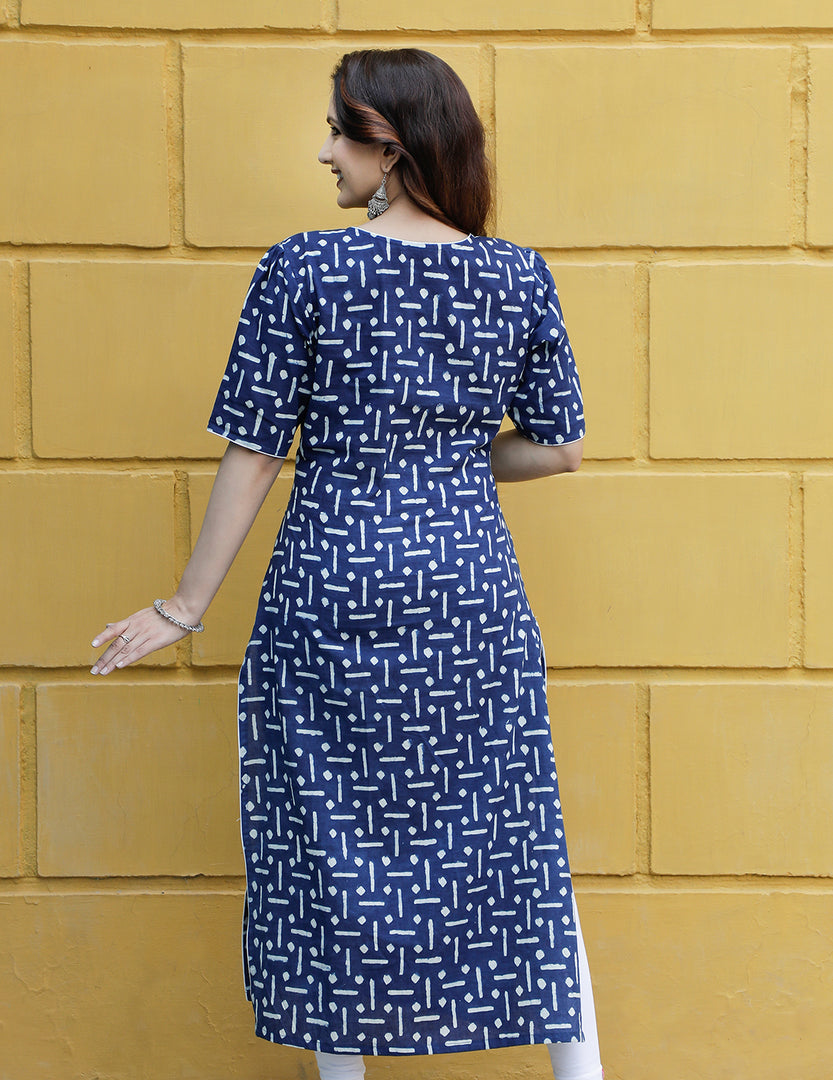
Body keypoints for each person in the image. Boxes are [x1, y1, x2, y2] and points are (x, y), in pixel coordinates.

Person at [90, 48, 602, 1080]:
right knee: (514, 848)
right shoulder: (514, 274)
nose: (325, 151)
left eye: (339, 131)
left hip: (331, 593)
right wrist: (444, 453)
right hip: (468, 603)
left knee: (331, 847)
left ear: (392, 145)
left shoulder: (305, 268)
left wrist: (185, 607)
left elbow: (256, 447)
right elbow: (557, 446)